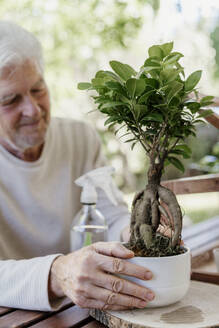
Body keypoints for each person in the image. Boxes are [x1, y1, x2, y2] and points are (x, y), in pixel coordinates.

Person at [0, 21, 155, 312]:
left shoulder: (79, 138)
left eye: (38, 89)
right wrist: (58, 273)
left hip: (82, 311)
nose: (32, 109)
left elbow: (112, 214)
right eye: (10, 100)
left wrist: (134, 232)